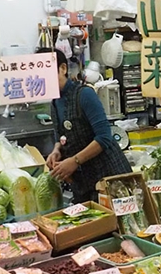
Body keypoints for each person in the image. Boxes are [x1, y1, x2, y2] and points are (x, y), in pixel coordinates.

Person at [45, 49, 132, 202]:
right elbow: (61, 136)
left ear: (63, 68)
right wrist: (57, 150)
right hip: (84, 183)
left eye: (48, 71)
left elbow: (104, 137)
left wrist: (75, 161)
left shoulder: (84, 94)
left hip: (109, 177)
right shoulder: (54, 101)